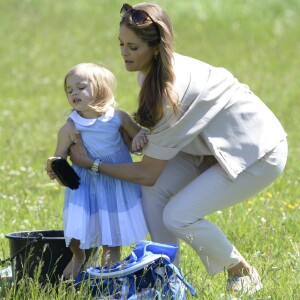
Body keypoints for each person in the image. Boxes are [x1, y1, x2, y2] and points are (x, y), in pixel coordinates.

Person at [68, 3, 288, 295]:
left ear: (156, 47)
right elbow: (154, 165)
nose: (124, 53)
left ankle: (242, 271)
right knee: (154, 192)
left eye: (133, 47)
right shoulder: (150, 71)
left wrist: (92, 163)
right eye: (121, 44)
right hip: (205, 146)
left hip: (256, 151)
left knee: (178, 215)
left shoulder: (169, 91)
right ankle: (168, 277)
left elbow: (146, 172)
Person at [46, 62, 148, 279]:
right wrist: (53, 164)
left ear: (101, 89)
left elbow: (137, 135)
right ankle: (78, 257)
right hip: (85, 185)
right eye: (69, 90)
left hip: (115, 182)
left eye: (81, 87)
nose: (74, 93)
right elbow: (59, 156)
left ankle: (107, 279)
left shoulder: (117, 118)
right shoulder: (71, 127)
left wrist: (139, 136)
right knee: (75, 231)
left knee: (111, 238)